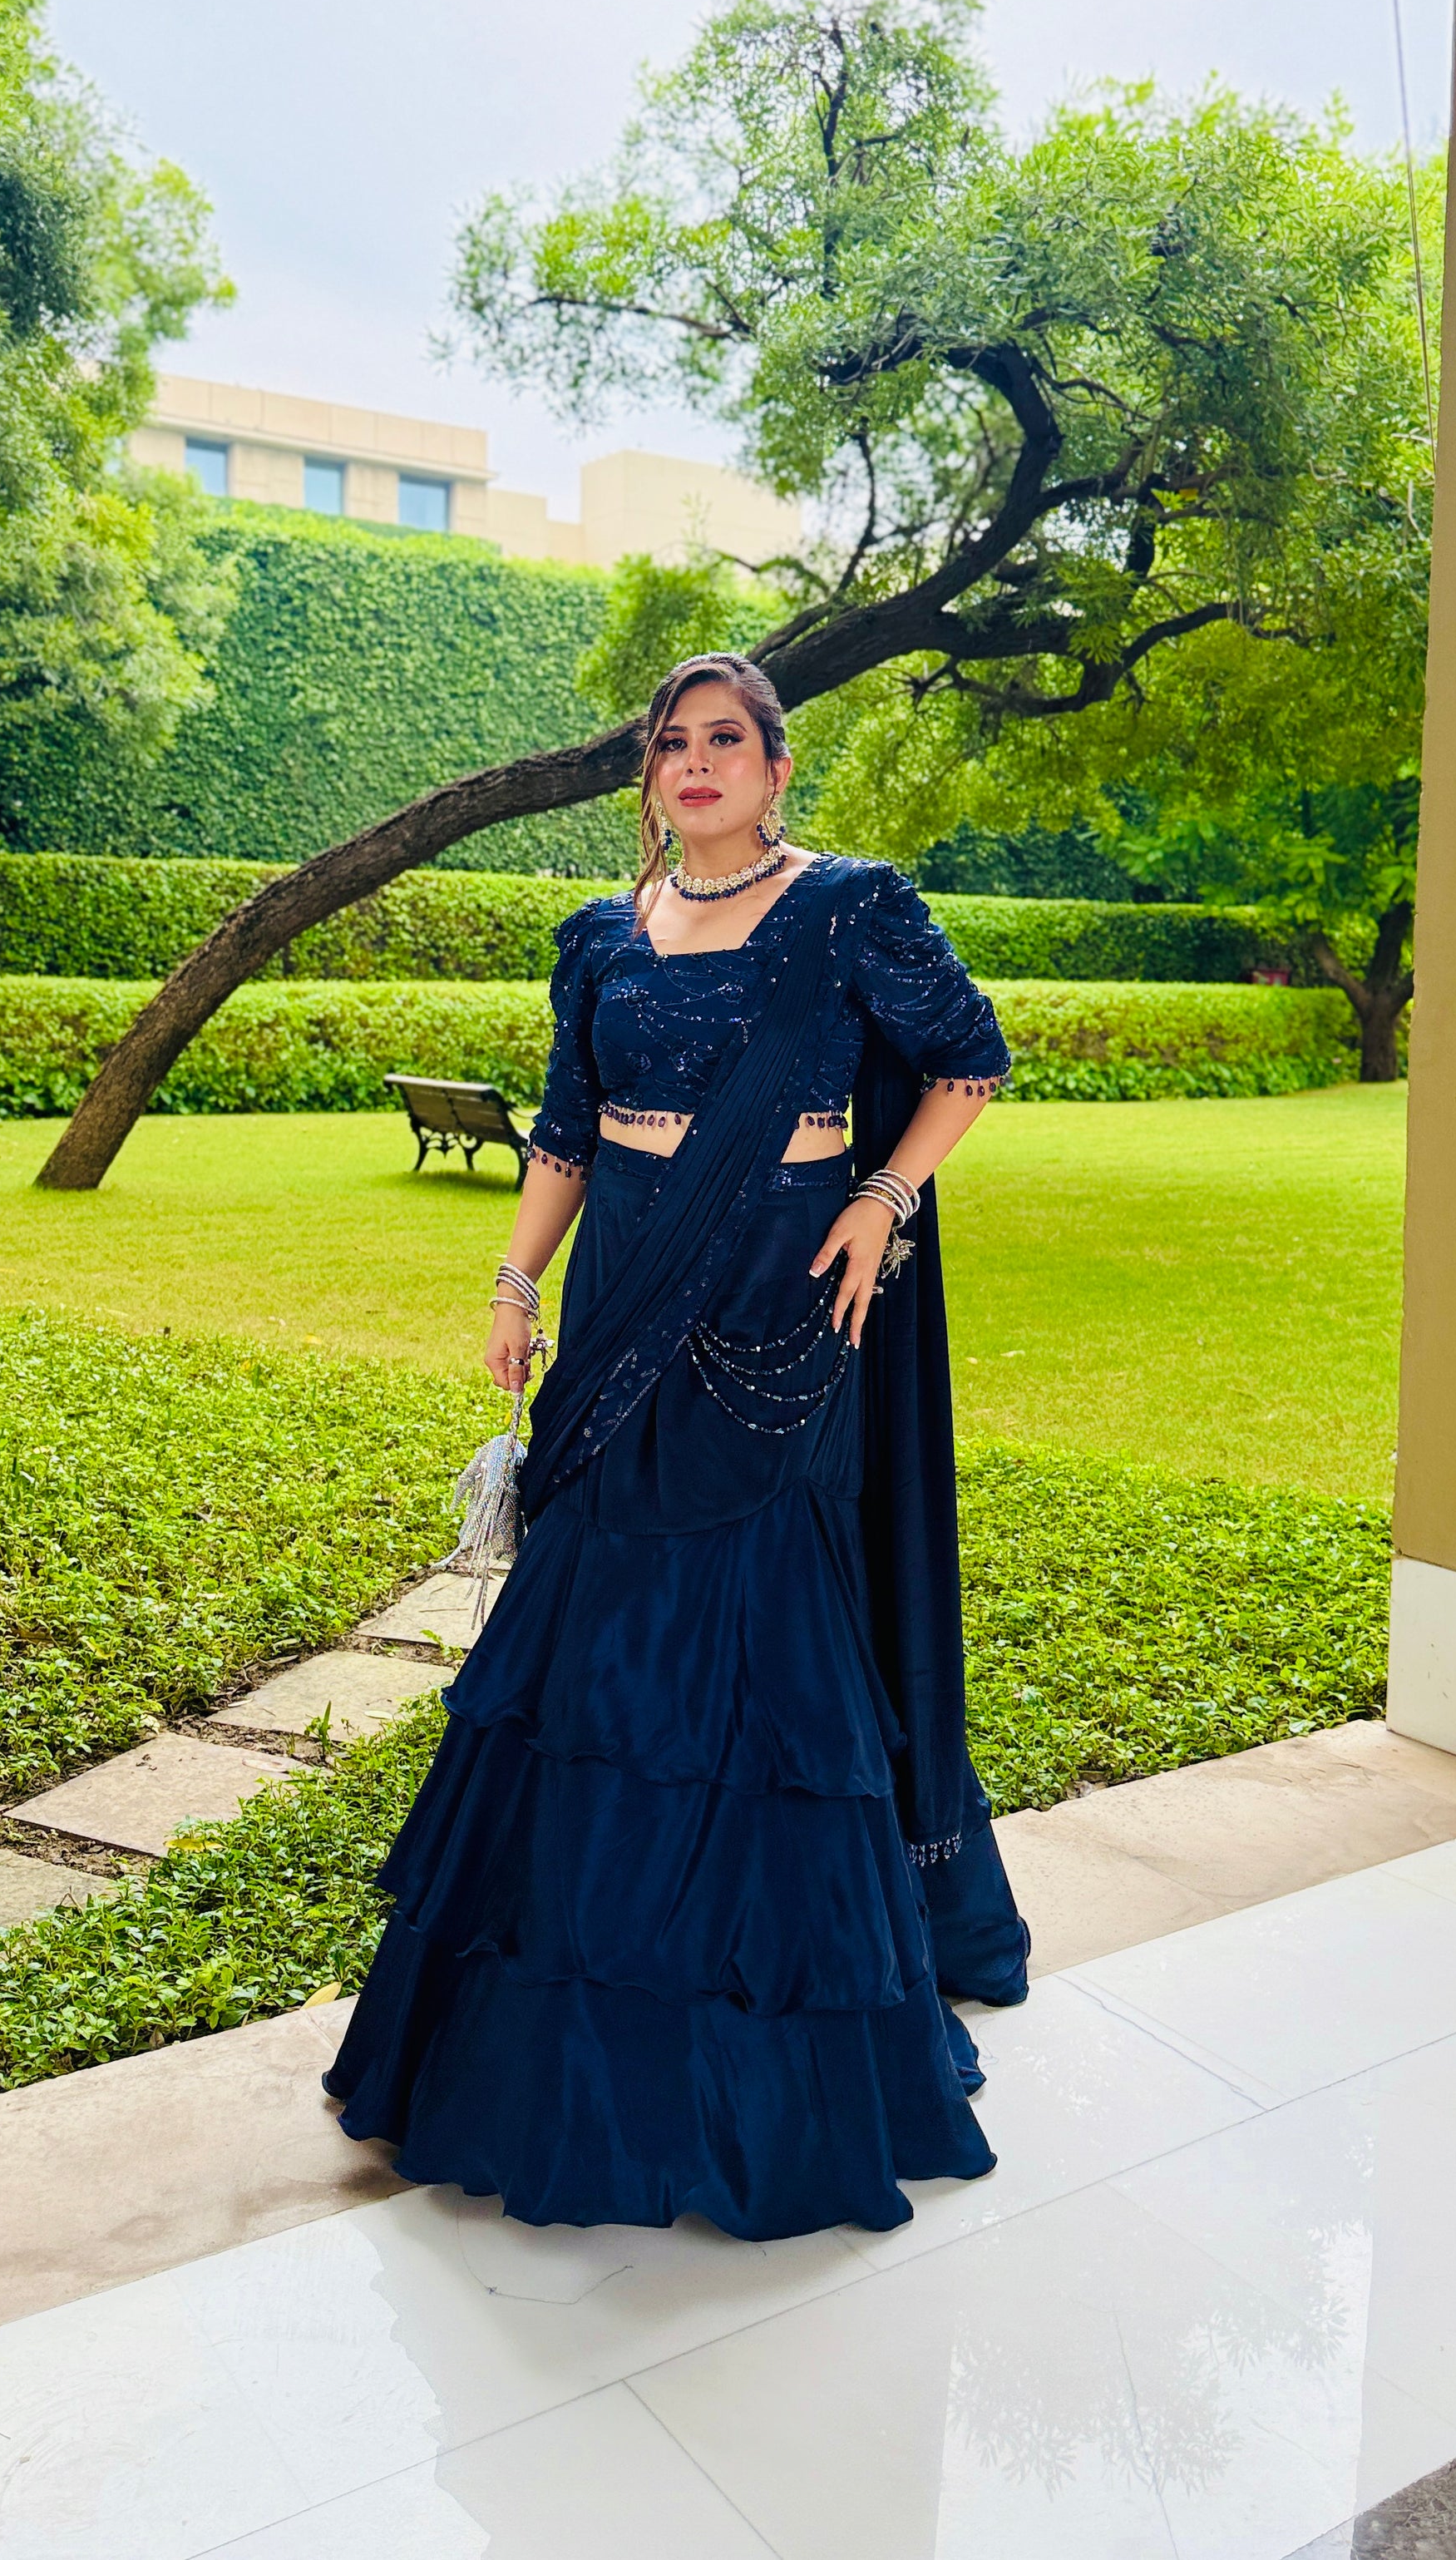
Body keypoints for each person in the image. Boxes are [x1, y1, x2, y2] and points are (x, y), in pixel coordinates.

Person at [324, 652, 1029, 2238]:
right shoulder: (600, 937)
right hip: (622, 1283)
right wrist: (516, 1283)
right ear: (648, 777)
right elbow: (567, 1131)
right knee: (584, 1624)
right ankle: (556, 2019)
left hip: (782, 1285)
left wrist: (882, 1194)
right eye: (671, 744)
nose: (694, 763)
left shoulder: (849, 910)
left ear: (774, 769)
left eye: (725, 740)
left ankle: (763, 2046)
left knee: (761, 1627)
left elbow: (970, 1059)